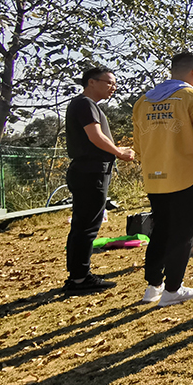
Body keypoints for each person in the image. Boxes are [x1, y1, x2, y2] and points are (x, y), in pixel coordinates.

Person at [132, 52, 193, 306]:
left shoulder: (143, 101)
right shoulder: (192, 97)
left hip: (155, 177)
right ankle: (173, 289)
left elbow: (138, 145)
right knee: (183, 233)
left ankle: (153, 287)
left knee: (160, 230)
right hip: (187, 176)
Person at [62, 66, 136, 292]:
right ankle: (79, 279)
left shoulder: (86, 105)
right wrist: (119, 152)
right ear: (91, 82)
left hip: (89, 170)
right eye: (109, 82)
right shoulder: (85, 104)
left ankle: (78, 275)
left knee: (83, 224)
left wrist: (115, 151)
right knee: (87, 226)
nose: (113, 87)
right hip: (90, 171)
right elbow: (95, 136)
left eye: (115, 84)